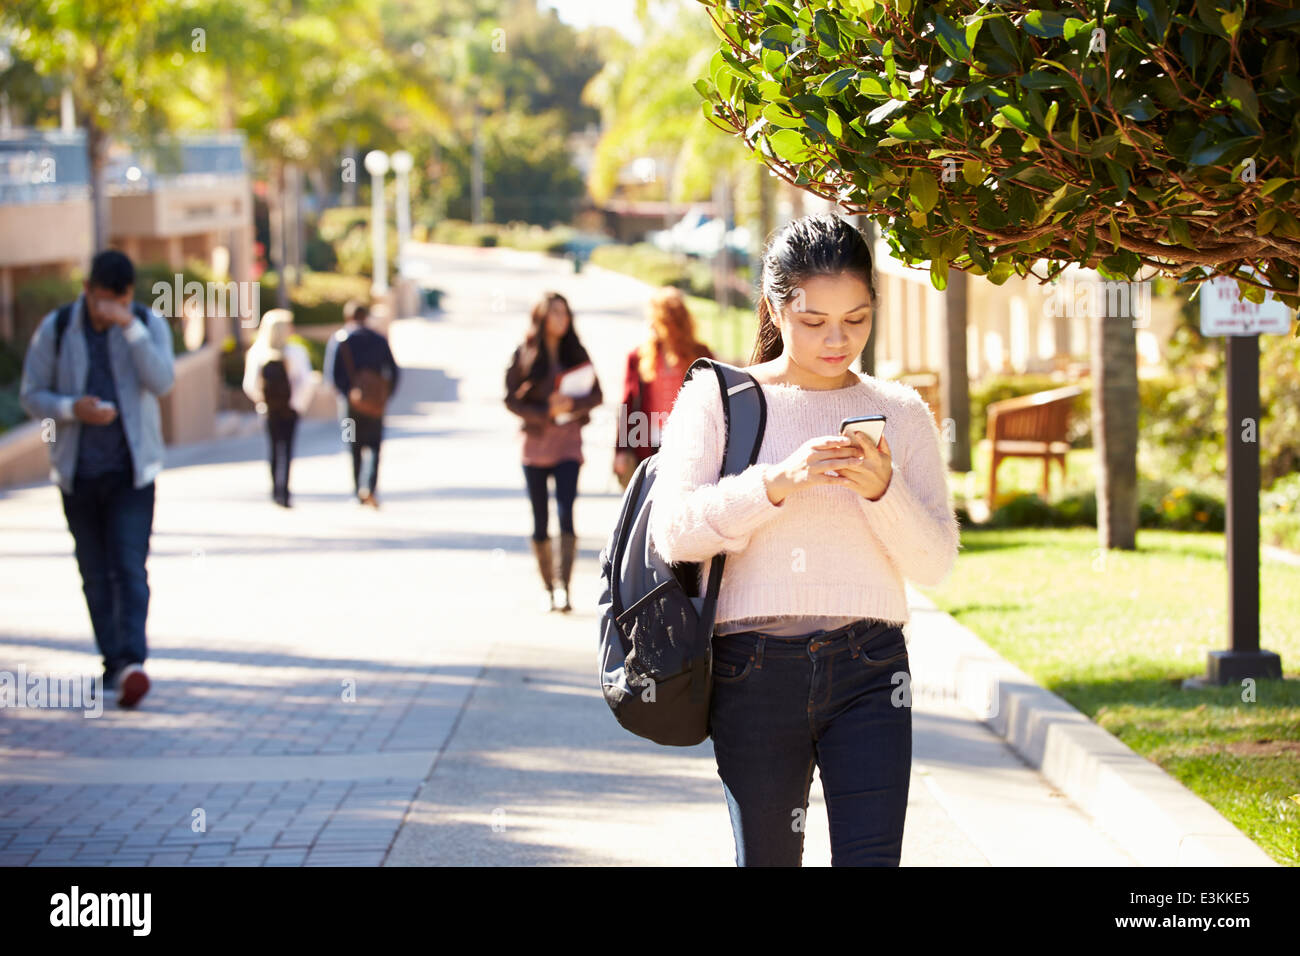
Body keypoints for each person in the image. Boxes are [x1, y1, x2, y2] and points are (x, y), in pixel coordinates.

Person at [648, 213, 960, 866]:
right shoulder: (720, 397)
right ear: (774, 308)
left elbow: (934, 565)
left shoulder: (901, 413)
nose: (837, 340)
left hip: (872, 667)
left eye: (857, 319)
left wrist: (883, 491)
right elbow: (673, 533)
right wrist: (777, 484)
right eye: (815, 321)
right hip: (751, 669)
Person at [18, 249, 176, 708]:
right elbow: (32, 393)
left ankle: (133, 662)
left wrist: (131, 329)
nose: (107, 309)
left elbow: (163, 381)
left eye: (118, 301)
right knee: (93, 574)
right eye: (102, 300)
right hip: (78, 473)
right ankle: (114, 663)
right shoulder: (59, 327)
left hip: (132, 472)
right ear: (87, 290)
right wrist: (72, 409)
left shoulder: (145, 325)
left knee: (129, 567)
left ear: (129, 296)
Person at [504, 291, 603, 613]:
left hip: (568, 446)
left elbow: (597, 394)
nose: (562, 318)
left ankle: (564, 588)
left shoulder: (577, 352)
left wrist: (572, 404)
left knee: (566, 516)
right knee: (540, 521)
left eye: (566, 312)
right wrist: (544, 409)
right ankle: (547, 586)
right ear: (542, 317)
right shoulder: (526, 353)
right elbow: (510, 398)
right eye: (555, 312)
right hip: (534, 447)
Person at [613, 286, 713, 489]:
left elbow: (715, 399)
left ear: (671, 322)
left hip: (689, 442)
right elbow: (628, 403)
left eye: (656, 319)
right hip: (648, 443)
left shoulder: (700, 354)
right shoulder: (639, 356)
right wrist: (620, 450)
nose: (650, 324)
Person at [242, 308, 315, 507]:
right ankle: (284, 491)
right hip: (289, 409)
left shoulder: (257, 353)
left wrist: (262, 400)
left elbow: (250, 384)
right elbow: (306, 382)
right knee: (287, 449)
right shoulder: (296, 352)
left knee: (274, 449)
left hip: (269, 410)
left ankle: (276, 490)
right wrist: (296, 405)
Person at [332, 303, 399, 507]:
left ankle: (356, 491)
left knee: (352, 446)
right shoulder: (378, 339)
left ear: (348, 317)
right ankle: (370, 487)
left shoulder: (340, 340)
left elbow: (333, 375)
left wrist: (348, 394)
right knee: (375, 446)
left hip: (349, 407)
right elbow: (394, 371)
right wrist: (385, 395)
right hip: (376, 406)